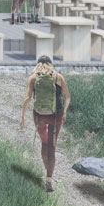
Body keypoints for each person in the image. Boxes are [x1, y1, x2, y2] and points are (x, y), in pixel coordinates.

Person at [19, 53, 71, 190]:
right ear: (50, 64)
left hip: (39, 116)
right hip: (56, 116)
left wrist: (22, 117)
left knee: (44, 143)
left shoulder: (33, 78)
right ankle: (49, 178)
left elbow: (27, 98)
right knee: (52, 146)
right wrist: (65, 111)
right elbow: (67, 96)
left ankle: (46, 170)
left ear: (38, 64)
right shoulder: (58, 77)